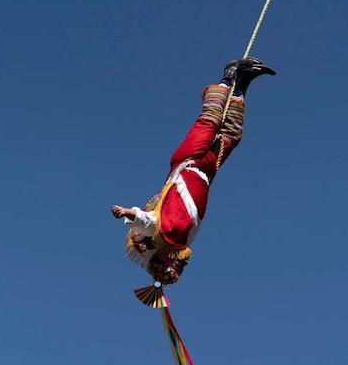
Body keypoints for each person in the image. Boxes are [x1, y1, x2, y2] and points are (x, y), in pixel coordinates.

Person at [112, 57, 276, 285]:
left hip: (188, 161)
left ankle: (228, 76)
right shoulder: (183, 240)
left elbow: (143, 221)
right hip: (206, 171)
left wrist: (125, 212)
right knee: (231, 135)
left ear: (163, 260)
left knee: (210, 121)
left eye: (175, 268)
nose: (182, 266)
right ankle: (242, 84)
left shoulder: (161, 232)